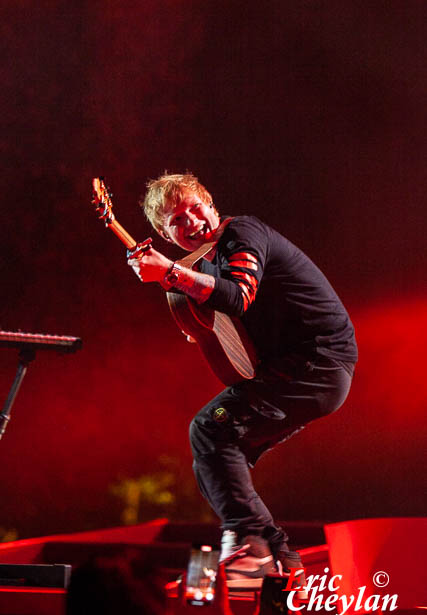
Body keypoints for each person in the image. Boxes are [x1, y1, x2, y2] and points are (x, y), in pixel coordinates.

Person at [128, 172, 357, 591]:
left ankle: (252, 547)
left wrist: (173, 275)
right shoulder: (209, 261)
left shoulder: (242, 233)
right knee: (214, 464)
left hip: (318, 364)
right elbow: (228, 316)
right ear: (166, 234)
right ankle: (279, 562)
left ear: (210, 202)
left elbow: (238, 295)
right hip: (294, 370)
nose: (191, 220)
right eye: (176, 220)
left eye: (195, 207)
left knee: (209, 428)